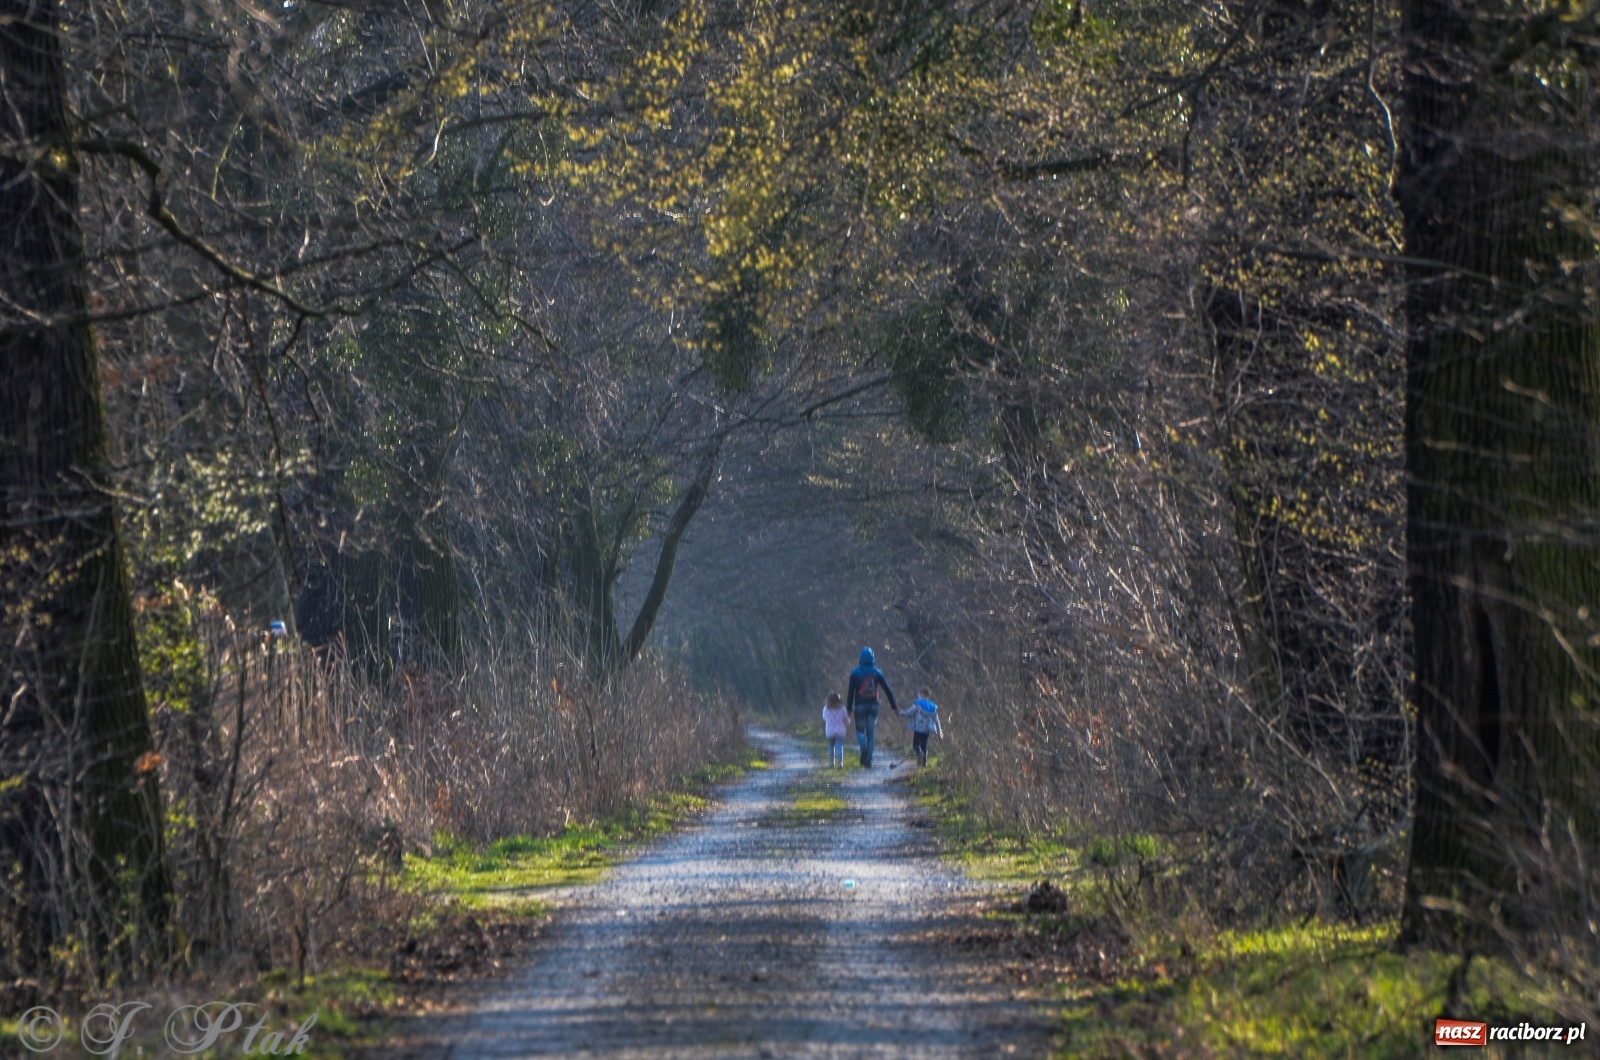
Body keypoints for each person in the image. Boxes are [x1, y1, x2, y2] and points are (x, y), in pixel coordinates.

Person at [846, 647, 898, 768]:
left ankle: (863, 748)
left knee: (860, 730)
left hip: (859, 705)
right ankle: (869, 758)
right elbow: (888, 691)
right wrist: (894, 707)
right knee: (870, 732)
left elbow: (850, 693)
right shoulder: (877, 672)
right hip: (874, 705)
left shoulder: (855, 673)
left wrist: (849, 709)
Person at [899, 688, 942, 767]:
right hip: (927, 729)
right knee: (924, 745)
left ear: (921, 694)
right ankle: (924, 763)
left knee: (916, 744)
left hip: (918, 728)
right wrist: (940, 731)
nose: (918, 696)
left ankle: (919, 754)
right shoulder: (933, 706)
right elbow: (936, 720)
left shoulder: (917, 704)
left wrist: (901, 713)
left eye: (918, 694)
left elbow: (909, 712)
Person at [822, 692, 849, 768]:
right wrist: (846, 722)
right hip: (840, 731)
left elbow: (824, 718)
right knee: (839, 746)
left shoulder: (826, 709)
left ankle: (831, 762)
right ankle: (840, 763)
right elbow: (846, 720)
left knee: (831, 746)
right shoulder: (842, 709)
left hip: (830, 731)